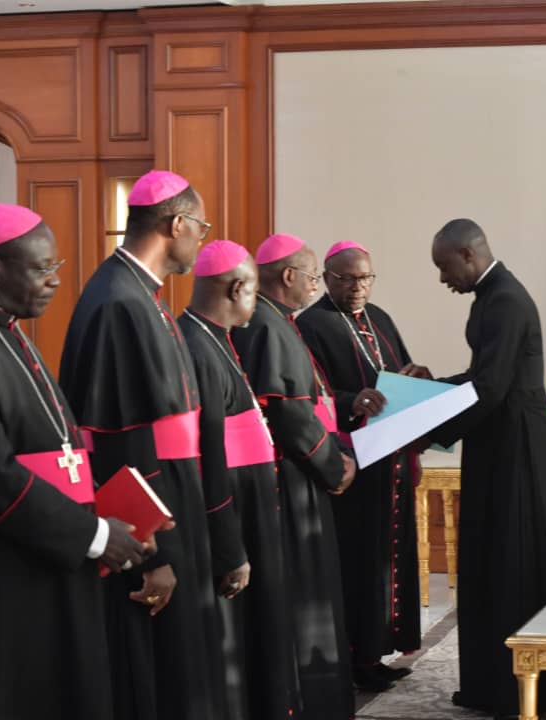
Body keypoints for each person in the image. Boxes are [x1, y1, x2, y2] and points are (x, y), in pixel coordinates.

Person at [58, 170, 227, 720]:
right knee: (158, 669)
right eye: (200, 227)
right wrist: (156, 555)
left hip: (176, 500)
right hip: (152, 527)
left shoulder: (139, 294)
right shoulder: (118, 301)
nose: (200, 239)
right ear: (176, 224)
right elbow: (123, 441)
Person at [420, 218, 546, 718]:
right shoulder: (492, 296)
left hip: (520, 447)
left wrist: (424, 424)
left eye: (445, 267)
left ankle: (526, 690)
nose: (443, 278)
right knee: (497, 559)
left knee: (516, 561)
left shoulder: (505, 300)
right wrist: (430, 388)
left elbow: (490, 388)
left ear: (468, 255)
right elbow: (481, 376)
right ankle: (495, 685)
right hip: (502, 440)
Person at [0, 204, 151, 720]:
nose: (56, 280)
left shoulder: (13, 333)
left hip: (60, 551)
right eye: (42, 268)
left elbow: (60, 449)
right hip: (17, 571)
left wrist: (116, 521)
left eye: (57, 266)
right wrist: (95, 535)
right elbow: (1, 478)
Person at [230, 233, 356, 720]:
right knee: (303, 591)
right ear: (288, 276)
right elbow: (289, 415)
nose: (316, 285)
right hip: (291, 478)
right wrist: (333, 465)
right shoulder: (266, 324)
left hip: (300, 471)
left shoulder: (275, 320)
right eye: (312, 277)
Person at [177, 240, 298, 720]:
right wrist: (230, 549)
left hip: (251, 509)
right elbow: (208, 454)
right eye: (253, 292)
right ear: (237, 289)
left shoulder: (215, 338)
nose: (256, 302)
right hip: (232, 518)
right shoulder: (197, 348)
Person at [296, 240, 420, 693]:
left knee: (388, 560)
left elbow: (397, 370)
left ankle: (377, 651)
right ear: (327, 279)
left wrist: (413, 380)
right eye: (347, 279)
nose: (357, 287)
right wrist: (353, 400)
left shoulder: (380, 318)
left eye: (365, 278)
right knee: (358, 561)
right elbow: (312, 393)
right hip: (352, 462)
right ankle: (353, 657)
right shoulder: (311, 325)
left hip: (392, 461)